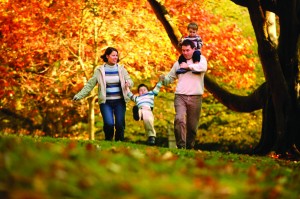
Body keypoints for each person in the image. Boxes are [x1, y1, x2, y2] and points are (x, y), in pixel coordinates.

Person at [73, 47, 134, 141]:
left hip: (120, 102)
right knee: (109, 124)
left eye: (116, 55)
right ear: (107, 56)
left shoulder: (121, 69)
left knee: (119, 124)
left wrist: (129, 83)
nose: (115, 57)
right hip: (106, 102)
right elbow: (90, 85)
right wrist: (79, 95)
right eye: (113, 55)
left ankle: (120, 143)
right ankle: (108, 141)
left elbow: (130, 80)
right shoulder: (99, 70)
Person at [160, 39, 207, 149]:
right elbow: (170, 78)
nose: (185, 53)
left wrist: (188, 67)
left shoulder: (200, 59)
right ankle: (180, 146)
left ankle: (189, 147)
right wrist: (163, 79)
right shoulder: (178, 63)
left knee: (192, 127)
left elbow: (203, 68)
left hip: (196, 96)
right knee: (179, 119)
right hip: (180, 95)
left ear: (194, 49)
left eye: (187, 50)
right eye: (183, 50)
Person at [125, 79, 163, 145]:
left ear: (148, 90)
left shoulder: (151, 94)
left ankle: (151, 137)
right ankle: (137, 115)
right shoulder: (137, 98)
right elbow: (129, 94)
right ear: (138, 93)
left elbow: (157, 87)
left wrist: (160, 81)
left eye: (144, 90)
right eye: (140, 90)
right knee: (138, 110)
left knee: (148, 120)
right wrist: (127, 87)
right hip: (140, 109)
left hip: (148, 110)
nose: (142, 91)